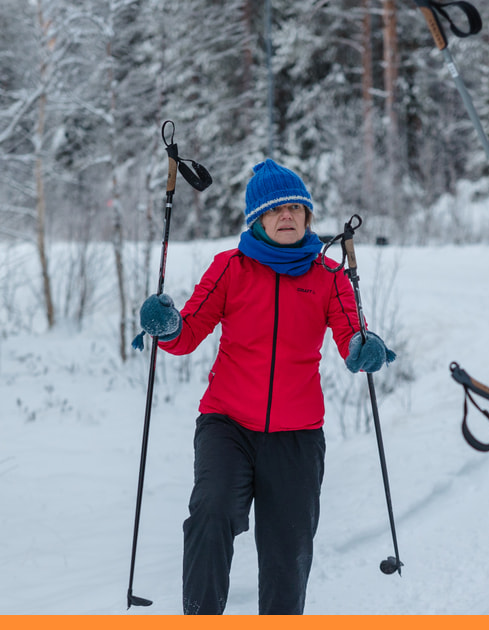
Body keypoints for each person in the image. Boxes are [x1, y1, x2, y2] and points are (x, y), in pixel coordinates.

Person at [133, 158, 396, 615]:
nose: (286, 216)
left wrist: (363, 349)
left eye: (295, 208)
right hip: (227, 424)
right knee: (212, 512)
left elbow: (351, 336)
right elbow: (186, 334)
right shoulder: (229, 268)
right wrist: (167, 325)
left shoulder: (330, 276)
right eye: (275, 209)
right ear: (257, 219)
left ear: (308, 216)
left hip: (297, 435)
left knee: (288, 551)